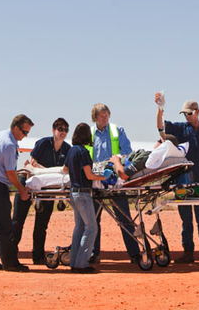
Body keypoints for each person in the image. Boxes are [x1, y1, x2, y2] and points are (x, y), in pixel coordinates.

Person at [156, 96, 199, 265]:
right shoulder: (180, 129)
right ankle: (188, 253)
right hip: (182, 182)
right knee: (186, 220)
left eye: (190, 113)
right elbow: (161, 129)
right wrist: (160, 108)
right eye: (184, 114)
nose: (187, 116)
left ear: (197, 112)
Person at [0, 114, 34, 272]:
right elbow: (10, 173)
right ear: (16, 128)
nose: (25, 136)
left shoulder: (1, 134)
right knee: (4, 226)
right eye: (24, 132)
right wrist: (22, 190)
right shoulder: (9, 144)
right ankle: (10, 263)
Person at [88, 103, 141, 265]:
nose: (105, 118)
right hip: (95, 182)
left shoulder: (118, 131)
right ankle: (93, 254)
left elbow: (128, 153)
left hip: (115, 182)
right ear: (95, 117)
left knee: (125, 218)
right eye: (102, 115)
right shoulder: (88, 133)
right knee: (93, 220)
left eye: (107, 115)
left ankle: (134, 254)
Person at [11, 117, 70, 265]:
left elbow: (66, 170)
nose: (63, 132)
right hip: (29, 184)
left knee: (42, 225)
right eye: (60, 129)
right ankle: (10, 254)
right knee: (18, 220)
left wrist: (48, 174)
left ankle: (38, 256)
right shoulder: (43, 143)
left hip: (49, 188)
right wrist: (50, 172)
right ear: (53, 130)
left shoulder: (67, 149)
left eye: (65, 130)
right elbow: (33, 163)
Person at [65, 123, 104, 273]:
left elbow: (65, 169)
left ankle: (74, 262)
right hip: (83, 193)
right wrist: (104, 177)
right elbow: (89, 175)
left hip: (73, 193)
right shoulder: (83, 152)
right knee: (92, 228)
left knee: (79, 227)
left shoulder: (71, 150)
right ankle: (81, 263)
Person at [100, 134, 182, 181]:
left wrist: (116, 161)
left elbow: (124, 175)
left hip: (105, 168)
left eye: (160, 141)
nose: (157, 142)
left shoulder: (146, 156)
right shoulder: (152, 159)